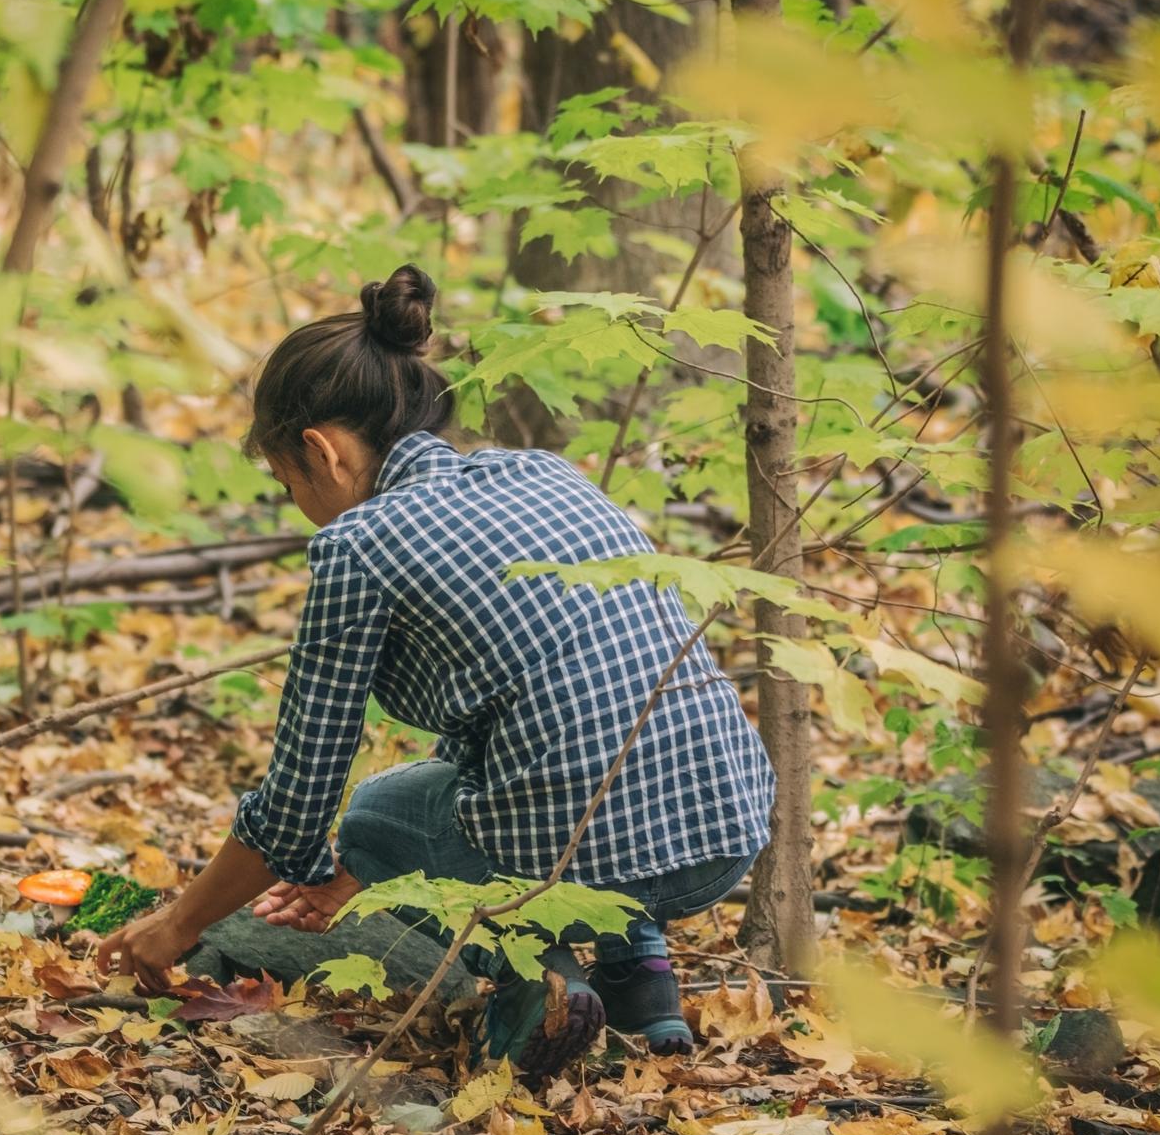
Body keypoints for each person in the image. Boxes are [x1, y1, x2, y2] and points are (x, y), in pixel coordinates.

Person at [95, 264, 774, 1074]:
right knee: (581, 764)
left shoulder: (359, 543)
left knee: (379, 814)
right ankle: (645, 988)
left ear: (323, 450)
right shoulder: (541, 474)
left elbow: (300, 800)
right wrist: (352, 879)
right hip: (727, 825)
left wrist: (179, 922)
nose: (297, 502)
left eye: (287, 482)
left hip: (593, 847)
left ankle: (543, 987)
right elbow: (524, 707)